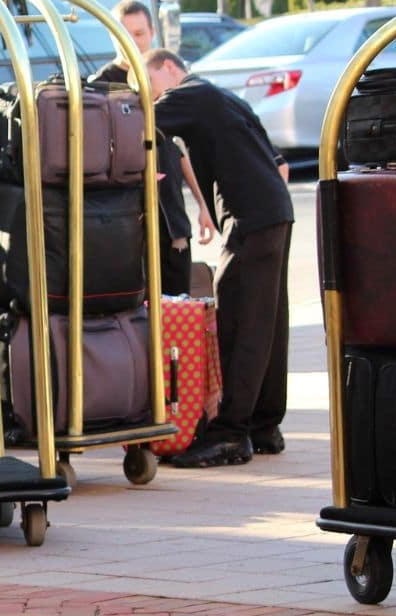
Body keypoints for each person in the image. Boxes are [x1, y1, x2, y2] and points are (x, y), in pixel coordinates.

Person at [142, 48, 293, 467]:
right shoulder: (225, 98)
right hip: (274, 212)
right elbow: (276, 159)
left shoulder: (191, 94)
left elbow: (140, 124)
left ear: (169, 70)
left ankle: (231, 433)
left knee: (240, 321)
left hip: (249, 218)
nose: (153, 97)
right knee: (267, 323)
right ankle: (264, 424)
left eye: (151, 85)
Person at [88, 1, 214, 295]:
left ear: (153, 33)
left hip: (170, 214)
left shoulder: (164, 75)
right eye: (125, 35)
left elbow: (179, 149)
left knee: (177, 302)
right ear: (112, 37)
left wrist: (204, 205)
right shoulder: (100, 85)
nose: (133, 42)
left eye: (140, 34)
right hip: (126, 218)